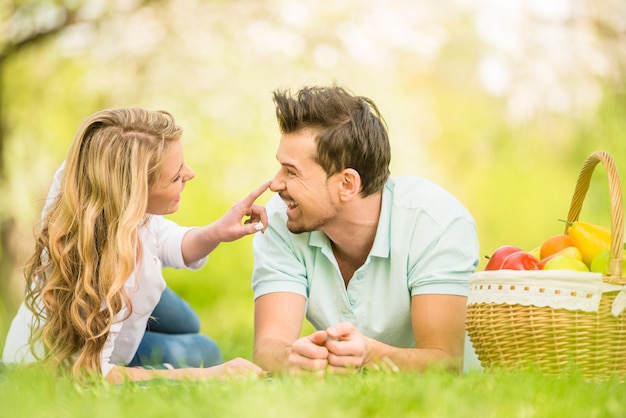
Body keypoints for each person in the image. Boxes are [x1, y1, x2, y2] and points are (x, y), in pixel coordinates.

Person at [3, 108, 269, 383]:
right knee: (206, 353)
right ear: (135, 192)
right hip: (82, 350)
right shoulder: (104, 268)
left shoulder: (93, 176)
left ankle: (142, 345)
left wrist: (218, 231)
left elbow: (165, 239)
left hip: (131, 292)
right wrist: (206, 376)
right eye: (176, 176)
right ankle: (149, 371)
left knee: (187, 321)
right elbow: (88, 372)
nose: (191, 174)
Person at [251, 85, 481, 376]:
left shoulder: (437, 223)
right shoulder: (280, 218)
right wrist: (294, 359)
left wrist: (370, 355)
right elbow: (269, 347)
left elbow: (446, 363)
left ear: (347, 184)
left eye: (291, 171)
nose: (275, 184)